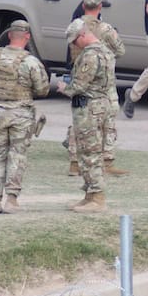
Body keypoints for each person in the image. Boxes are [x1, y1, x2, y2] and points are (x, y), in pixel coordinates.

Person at [0, 20, 50, 214]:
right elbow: (43, 89)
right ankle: (11, 199)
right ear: (27, 37)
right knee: (17, 156)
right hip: (21, 114)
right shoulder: (31, 62)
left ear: (10, 35)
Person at [66, 0, 128, 177]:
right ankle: (107, 160)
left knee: (79, 118)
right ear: (100, 7)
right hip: (103, 80)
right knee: (108, 119)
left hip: (80, 75)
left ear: (83, 6)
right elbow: (121, 50)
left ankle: (74, 162)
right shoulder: (105, 29)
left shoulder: (75, 27)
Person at [57, 19, 115, 213]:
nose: (74, 45)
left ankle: (97, 197)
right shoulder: (105, 51)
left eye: (75, 41)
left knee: (90, 153)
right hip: (100, 105)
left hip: (89, 108)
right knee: (90, 152)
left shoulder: (90, 55)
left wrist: (65, 88)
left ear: (82, 35)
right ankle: (90, 194)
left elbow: (79, 86)